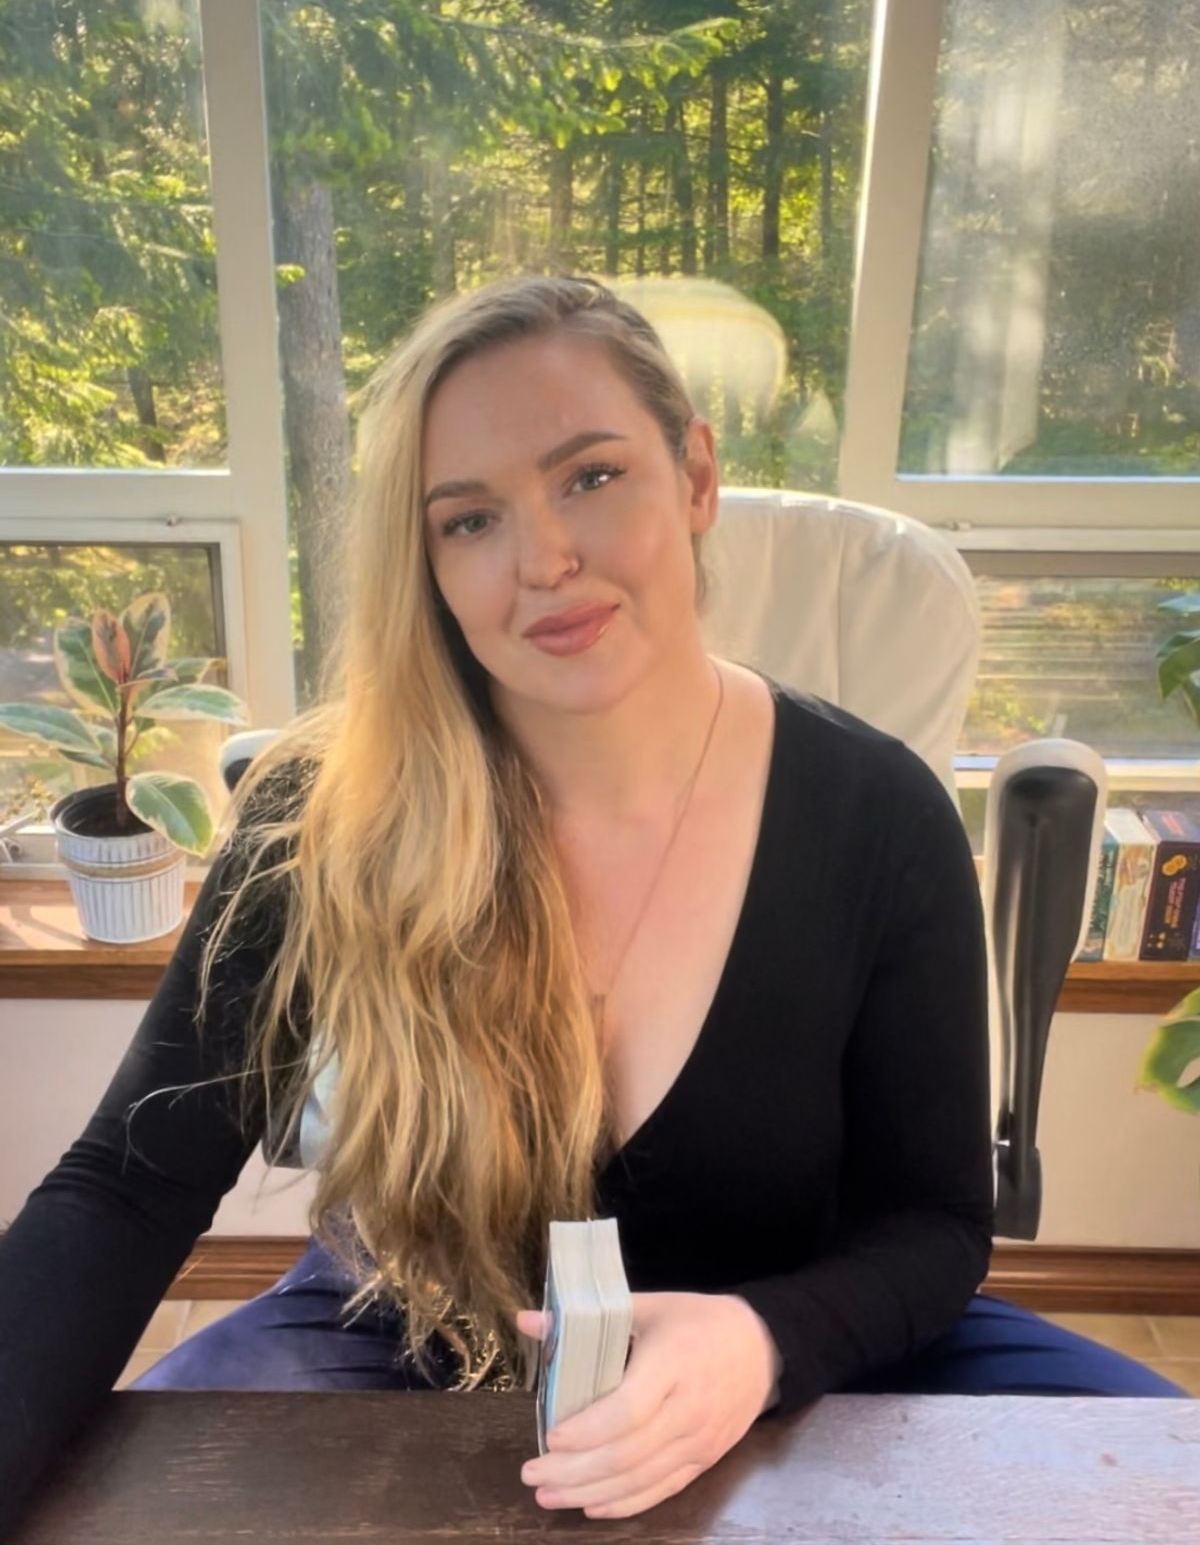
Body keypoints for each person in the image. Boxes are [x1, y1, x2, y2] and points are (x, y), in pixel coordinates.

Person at [0, 274, 1186, 1536]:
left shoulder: (880, 814)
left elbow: (936, 1226)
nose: (544, 560)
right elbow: (124, 1188)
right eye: (470, 519)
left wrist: (762, 1340)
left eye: (593, 477)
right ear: (428, 565)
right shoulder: (322, 812)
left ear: (696, 477)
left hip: (805, 1338)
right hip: (409, 1332)